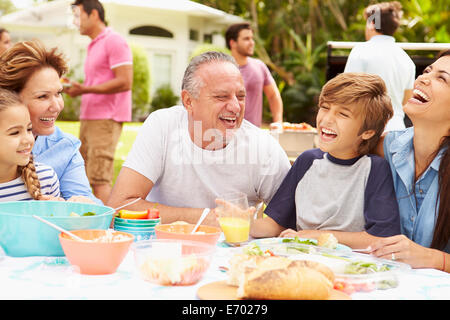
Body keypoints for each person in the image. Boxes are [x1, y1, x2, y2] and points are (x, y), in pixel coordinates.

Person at [107, 51, 291, 226]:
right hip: (165, 251)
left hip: (235, 254)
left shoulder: (264, 147)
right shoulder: (162, 126)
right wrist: (204, 218)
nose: (236, 107)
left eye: (241, 96)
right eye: (221, 96)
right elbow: (119, 207)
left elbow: (291, 220)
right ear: (188, 101)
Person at [251, 73, 401, 249]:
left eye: (343, 114)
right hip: (301, 259)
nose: (327, 119)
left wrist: (314, 236)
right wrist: (237, 221)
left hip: (350, 267)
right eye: (325, 107)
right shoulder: (307, 161)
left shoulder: (374, 169)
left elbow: (380, 238)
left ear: (367, 132)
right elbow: (275, 225)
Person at [368, 50, 450, 273]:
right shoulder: (386, 147)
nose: (423, 78)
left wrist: (434, 259)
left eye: (442, 78)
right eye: (427, 71)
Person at [0, 40, 99, 204]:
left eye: (58, 93)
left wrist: (83, 205)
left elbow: (88, 205)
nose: (57, 106)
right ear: (10, 97)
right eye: (42, 96)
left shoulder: (65, 147)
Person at [65, 0, 133, 204]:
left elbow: (125, 81)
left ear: (94, 14)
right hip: (90, 117)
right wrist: (78, 88)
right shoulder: (94, 44)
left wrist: (85, 89)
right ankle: (88, 226)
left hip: (105, 118)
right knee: (82, 176)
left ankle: (108, 230)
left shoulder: (114, 40)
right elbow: (100, 81)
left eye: (78, 16)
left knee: (99, 178)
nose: (75, 22)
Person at [344, 1, 415, 132]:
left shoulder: (361, 50)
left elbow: (347, 93)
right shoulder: (406, 59)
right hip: (397, 130)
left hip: (366, 130)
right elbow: (406, 102)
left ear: (372, 24)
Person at [0, 88, 61, 201]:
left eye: (29, 129)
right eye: (15, 132)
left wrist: (58, 213)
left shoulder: (45, 178)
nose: (28, 139)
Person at [225, 22, 283, 127]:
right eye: (246, 39)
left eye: (252, 38)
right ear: (233, 43)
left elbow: (273, 95)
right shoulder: (222, 70)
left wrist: (278, 121)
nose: (252, 42)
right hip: (226, 134)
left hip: (254, 135)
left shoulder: (260, 66)